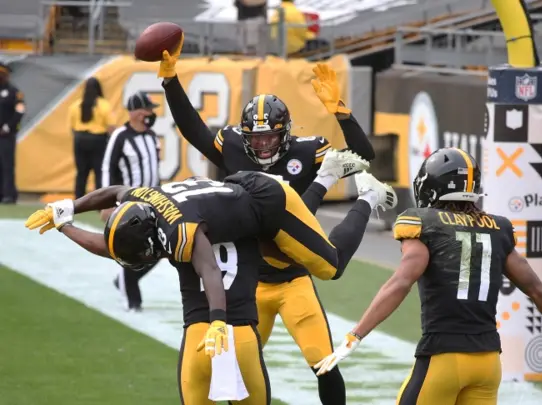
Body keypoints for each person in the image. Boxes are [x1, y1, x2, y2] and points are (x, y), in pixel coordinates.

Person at [25, 162, 395, 404]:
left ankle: (361, 194)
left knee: (328, 265)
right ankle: (327, 180)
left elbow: (208, 269)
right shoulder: (143, 203)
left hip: (266, 197)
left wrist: (218, 318)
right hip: (228, 205)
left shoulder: (179, 229)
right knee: (275, 253)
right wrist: (66, 215)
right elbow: (115, 194)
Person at [159, 39, 377, 405]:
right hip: (249, 283)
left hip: (294, 278)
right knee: (232, 363)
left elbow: (364, 156)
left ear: (285, 132)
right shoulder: (231, 145)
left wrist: (340, 111)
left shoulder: (307, 151)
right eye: (254, 138)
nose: (261, 146)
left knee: (322, 361)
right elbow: (193, 129)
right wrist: (170, 81)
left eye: (269, 136)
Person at [315, 148, 542, 405]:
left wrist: (355, 336)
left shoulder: (423, 222)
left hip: (444, 358)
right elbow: (539, 291)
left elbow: (401, 282)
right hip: (488, 364)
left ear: (432, 187)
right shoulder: (498, 227)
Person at [101, 91, 160, 312]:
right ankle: (132, 302)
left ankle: (125, 280)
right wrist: (107, 202)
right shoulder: (121, 136)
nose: (151, 113)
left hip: (153, 201)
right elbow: (108, 167)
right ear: (136, 112)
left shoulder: (151, 135)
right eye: (147, 109)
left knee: (160, 249)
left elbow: (155, 169)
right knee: (131, 248)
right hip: (130, 202)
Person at [68, 77, 115, 199]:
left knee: (81, 173)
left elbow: (72, 127)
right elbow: (111, 126)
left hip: (80, 139)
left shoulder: (75, 105)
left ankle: (78, 200)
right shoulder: (104, 105)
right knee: (99, 172)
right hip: (98, 140)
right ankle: (99, 201)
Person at [0, 62, 25, 204]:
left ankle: (9, 194)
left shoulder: (14, 92)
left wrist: (7, 127)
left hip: (6, 135)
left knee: (7, 164)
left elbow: (20, 111)